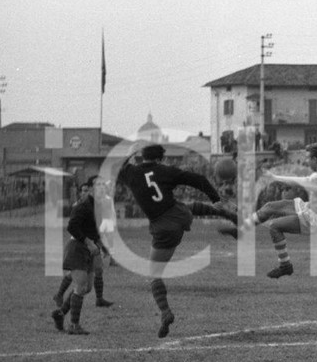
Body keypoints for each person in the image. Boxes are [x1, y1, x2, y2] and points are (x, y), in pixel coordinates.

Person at [117, 143, 238, 338]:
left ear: (142, 157)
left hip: (163, 227)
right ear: (160, 159)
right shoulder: (166, 170)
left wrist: (131, 151)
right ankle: (226, 214)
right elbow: (198, 179)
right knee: (188, 206)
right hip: (179, 214)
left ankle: (165, 313)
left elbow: (120, 165)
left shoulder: (131, 173)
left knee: (154, 275)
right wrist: (215, 197)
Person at [240, 142, 317, 278]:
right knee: (270, 206)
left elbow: (297, 181)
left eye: (308, 158)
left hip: (313, 219)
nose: (306, 161)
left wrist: (274, 178)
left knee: (274, 226)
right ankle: (242, 229)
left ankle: (285, 265)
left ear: (315, 160)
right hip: (308, 207)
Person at [51, 176, 108, 335]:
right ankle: (74, 325)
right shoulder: (83, 206)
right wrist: (88, 242)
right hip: (77, 248)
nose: (102, 188)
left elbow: (95, 230)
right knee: (81, 286)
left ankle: (60, 314)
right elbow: (72, 227)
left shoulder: (100, 206)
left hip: (89, 249)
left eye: (104, 185)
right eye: (98, 186)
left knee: (87, 287)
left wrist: (99, 245)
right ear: (90, 189)